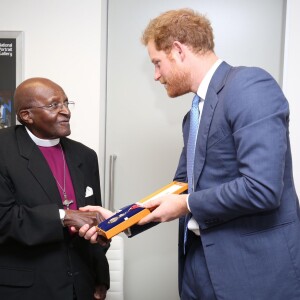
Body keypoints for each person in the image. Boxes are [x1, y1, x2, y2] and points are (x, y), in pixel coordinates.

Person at [78, 8, 300, 300]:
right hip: (197, 267)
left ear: (178, 51)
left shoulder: (249, 87)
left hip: (251, 271)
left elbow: (262, 188)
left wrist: (186, 204)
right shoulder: (193, 115)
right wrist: (119, 221)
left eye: (157, 63)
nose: (156, 76)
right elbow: (179, 188)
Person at [0, 77, 110, 300]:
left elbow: (93, 218)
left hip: (81, 286)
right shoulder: (4, 150)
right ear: (26, 116)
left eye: (66, 103)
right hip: (27, 289)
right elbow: (4, 219)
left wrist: (100, 276)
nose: (66, 112)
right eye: (54, 105)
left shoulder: (85, 156)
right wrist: (65, 216)